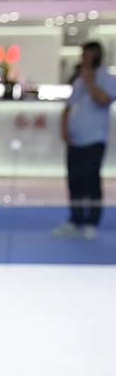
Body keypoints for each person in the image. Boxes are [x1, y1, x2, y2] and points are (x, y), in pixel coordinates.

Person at [54, 41, 116, 240]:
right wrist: (64, 129)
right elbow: (69, 106)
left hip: (95, 139)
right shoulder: (79, 79)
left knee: (91, 181)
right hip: (75, 139)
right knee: (75, 181)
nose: (84, 59)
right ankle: (76, 219)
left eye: (88, 55)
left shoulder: (107, 78)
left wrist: (90, 81)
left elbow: (103, 100)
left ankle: (91, 222)